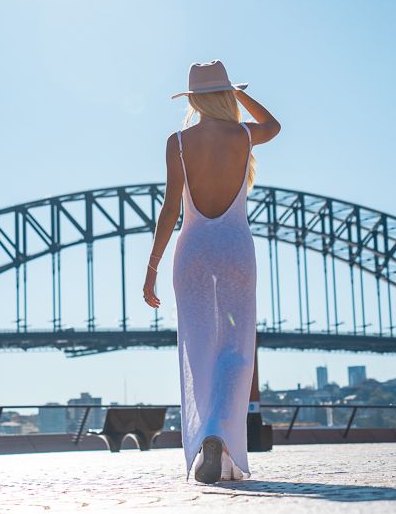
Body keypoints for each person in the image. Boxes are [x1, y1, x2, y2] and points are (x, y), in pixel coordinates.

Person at [142, 60, 281, 484]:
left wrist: (151, 270)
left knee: (198, 347)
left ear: (193, 99)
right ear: (223, 94)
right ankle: (221, 433)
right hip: (236, 249)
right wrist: (240, 95)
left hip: (194, 251)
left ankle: (206, 436)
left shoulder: (179, 142)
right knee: (237, 350)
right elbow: (273, 125)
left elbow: (170, 210)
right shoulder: (242, 135)